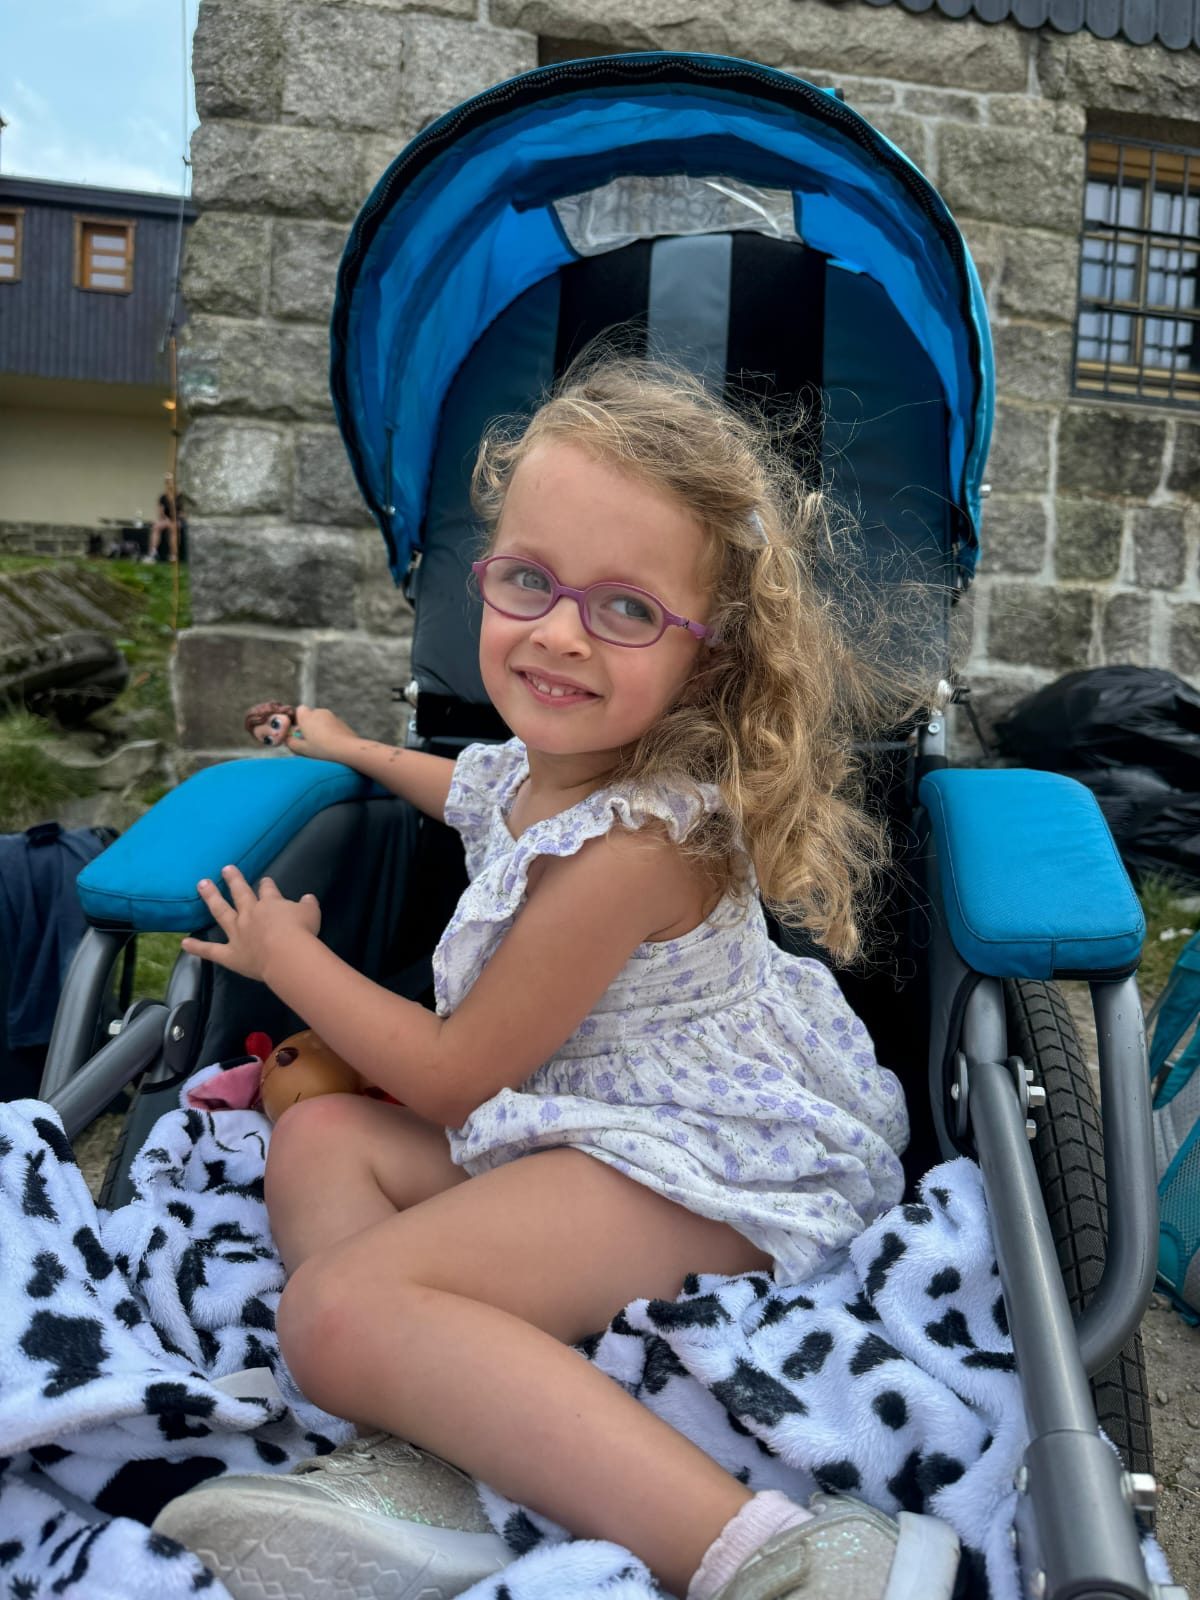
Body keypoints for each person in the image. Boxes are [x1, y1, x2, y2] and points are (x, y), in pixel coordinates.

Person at [152, 357, 958, 1600]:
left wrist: (288, 958)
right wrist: (354, 747)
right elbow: (467, 790)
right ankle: (431, 1455)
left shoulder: (635, 846)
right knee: (317, 1140)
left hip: (712, 1166)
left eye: (626, 608)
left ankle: (783, 1552)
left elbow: (448, 1076)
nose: (561, 631)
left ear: (708, 656)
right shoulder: (547, 770)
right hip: (588, 1125)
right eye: (529, 579)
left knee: (329, 1316)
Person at [145, 475, 184, 563]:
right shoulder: (163, 497)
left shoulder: (181, 497)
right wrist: (165, 519)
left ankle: (173, 555)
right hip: (166, 520)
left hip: (177, 520)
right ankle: (153, 553)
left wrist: (176, 518)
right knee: (156, 526)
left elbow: (184, 512)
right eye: (168, 482)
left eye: (171, 482)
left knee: (174, 528)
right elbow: (160, 512)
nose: (170, 484)